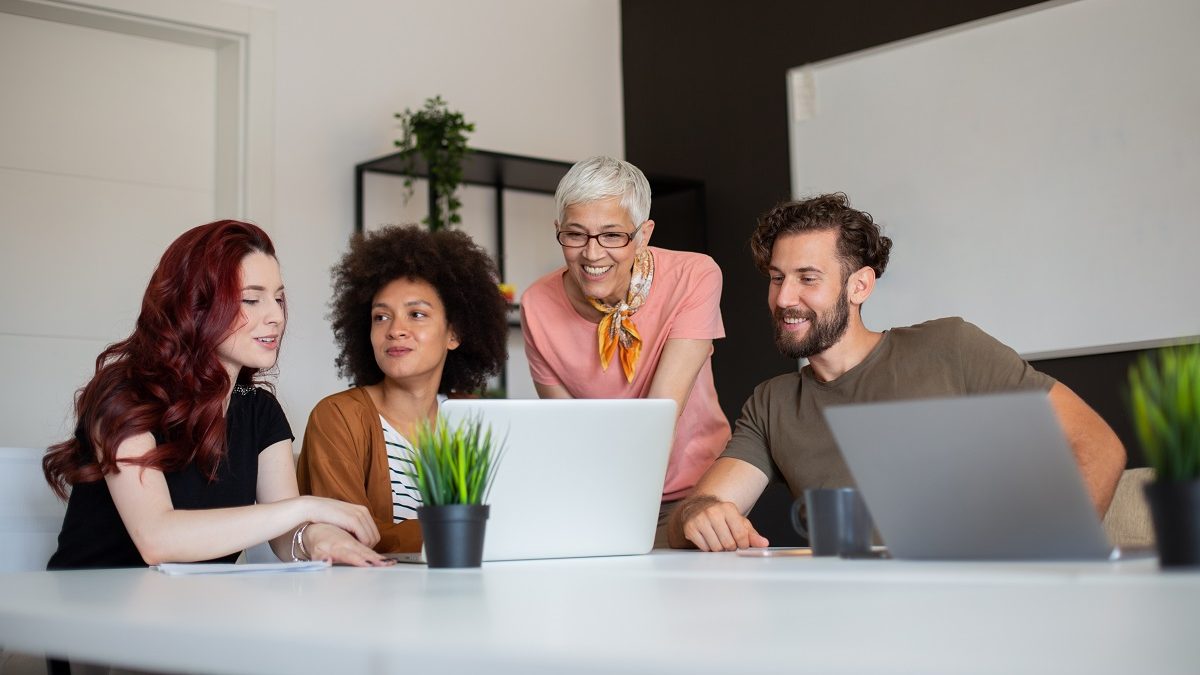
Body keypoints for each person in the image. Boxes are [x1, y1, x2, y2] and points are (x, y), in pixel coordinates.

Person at [669, 194, 1127, 551]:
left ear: (859, 285)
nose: (785, 297)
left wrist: (1052, 560)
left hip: (978, 605)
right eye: (776, 278)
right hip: (857, 622)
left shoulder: (951, 347)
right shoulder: (773, 403)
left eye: (808, 278)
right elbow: (700, 509)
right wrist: (700, 515)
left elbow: (1097, 445)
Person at [42, 220, 389, 569]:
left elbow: (286, 535)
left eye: (279, 298)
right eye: (251, 299)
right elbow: (157, 539)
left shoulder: (257, 407)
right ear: (195, 306)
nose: (276, 317)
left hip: (189, 609)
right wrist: (306, 506)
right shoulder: (122, 396)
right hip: (92, 608)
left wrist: (319, 538)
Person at [520, 156, 730, 546]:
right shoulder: (536, 304)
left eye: (613, 236)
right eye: (575, 234)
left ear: (643, 234)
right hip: (601, 494)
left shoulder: (695, 276)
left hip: (696, 492)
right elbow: (566, 432)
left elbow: (660, 416)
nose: (592, 254)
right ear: (559, 230)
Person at [296, 225, 508, 553]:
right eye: (381, 317)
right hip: (368, 597)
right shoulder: (337, 417)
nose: (396, 330)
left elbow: (512, 520)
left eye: (416, 314)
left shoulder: (474, 419)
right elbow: (345, 536)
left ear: (453, 333)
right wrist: (457, 531)